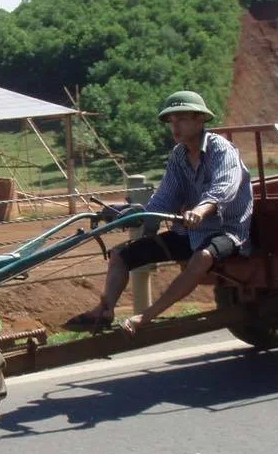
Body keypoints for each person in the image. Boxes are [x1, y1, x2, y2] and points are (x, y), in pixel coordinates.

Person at [64, 90, 253, 336]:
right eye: (172, 121)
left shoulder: (221, 149)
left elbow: (225, 186)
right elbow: (165, 197)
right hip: (188, 231)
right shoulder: (179, 155)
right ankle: (105, 310)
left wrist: (201, 209)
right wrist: (138, 218)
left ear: (200, 119)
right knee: (121, 254)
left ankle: (145, 316)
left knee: (202, 257)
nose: (175, 127)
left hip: (226, 230)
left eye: (182, 119)